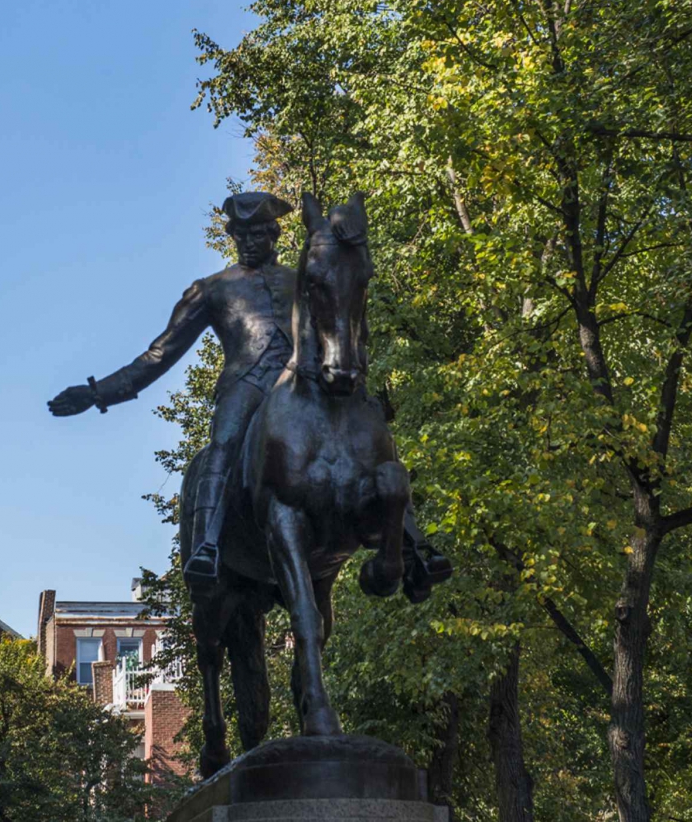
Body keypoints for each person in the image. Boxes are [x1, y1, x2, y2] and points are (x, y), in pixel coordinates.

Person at [48, 192, 449, 595]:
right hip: (247, 386)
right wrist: (98, 393)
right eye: (243, 234)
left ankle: (415, 547)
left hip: (307, 386)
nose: (252, 241)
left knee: (372, 433)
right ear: (232, 236)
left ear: (275, 233)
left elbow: (341, 317)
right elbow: (159, 354)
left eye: (259, 232)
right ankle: (206, 546)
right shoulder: (212, 290)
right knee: (222, 444)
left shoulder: (305, 278)